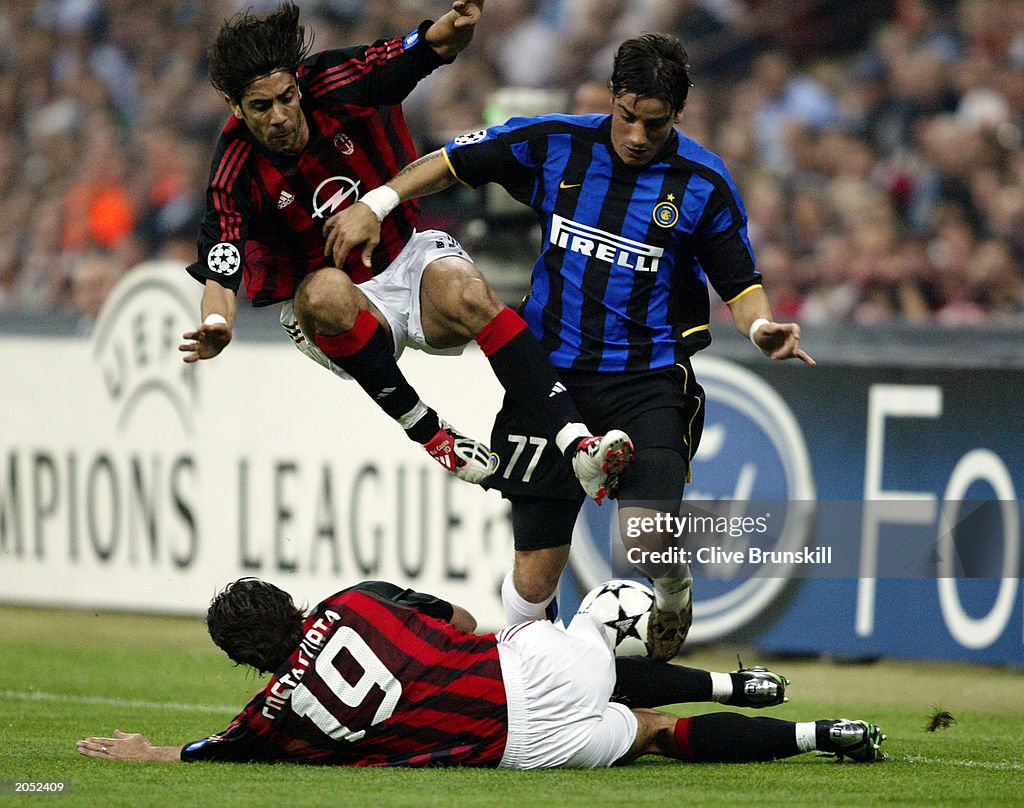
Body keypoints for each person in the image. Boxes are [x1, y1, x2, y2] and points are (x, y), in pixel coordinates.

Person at [323, 33, 816, 658]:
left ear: (680, 113)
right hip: (546, 378)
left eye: (655, 125)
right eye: (628, 117)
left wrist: (760, 327)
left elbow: (740, 282)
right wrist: (380, 201)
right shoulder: (557, 141)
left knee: (643, 541)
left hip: (647, 380)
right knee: (534, 571)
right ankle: (527, 680)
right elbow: (452, 161)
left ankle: (673, 588)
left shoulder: (703, 183)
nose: (637, 136)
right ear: (612, 97)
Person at [178, 2, 633, 502]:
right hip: (336, 300)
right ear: (234, 106)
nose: (282, 116)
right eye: (262, 107)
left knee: (474, 297)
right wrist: (218, 326)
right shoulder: (234, 172)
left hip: (405, 252)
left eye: (287, 97)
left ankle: (579, 446)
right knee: (325, 291)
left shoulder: (338, 80)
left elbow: (431, 47)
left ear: (298, 84)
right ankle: (430, 433)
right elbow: (221, 274)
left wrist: (457, 26)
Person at [76, 578, 885, 767]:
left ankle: (821, 736)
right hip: (519, 668)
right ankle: (732, 680)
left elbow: (214, 749)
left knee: (655, 736)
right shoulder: (356, 600)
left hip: (519, 750)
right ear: (289, 601)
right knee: (609, 614)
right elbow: (461, 623)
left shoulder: (271, 717)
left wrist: (148, 753)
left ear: (243, 658)